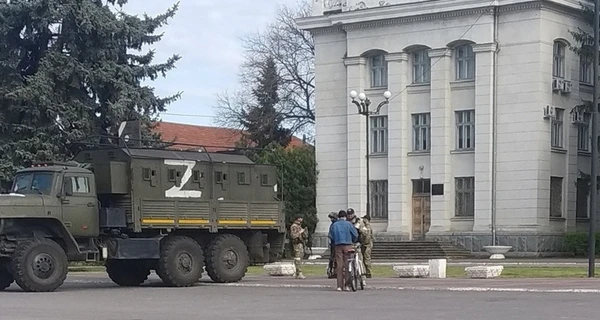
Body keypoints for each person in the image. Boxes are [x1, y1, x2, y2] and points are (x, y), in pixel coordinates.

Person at [328, 210, 358, 291]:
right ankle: (347, 285)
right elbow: (355, 234)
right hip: (348, 245)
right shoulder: (349, 224)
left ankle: (339, 286)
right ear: (345, 216)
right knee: (347, 264)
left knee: (339, 265)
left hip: (338, 246)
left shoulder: (334, 225)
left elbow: (331, 235)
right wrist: (353, 240)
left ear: (338, 217)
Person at [347, 208, 367, 285]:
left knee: (360, 260)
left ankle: (363, 278)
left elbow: (365, 232)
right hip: (349, 243)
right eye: (348, 214)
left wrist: (360, 229)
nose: (350, 216)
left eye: (351, 214)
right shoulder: (346, 223)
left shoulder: (359, 222)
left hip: (357, 243)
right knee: (348, 260)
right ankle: (350, 277)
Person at [327, 211, 339, 279]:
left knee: (335, 258)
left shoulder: (335, 225)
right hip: (333, 243)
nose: (331, 219)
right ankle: (332, 271)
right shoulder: (333, 224)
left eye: (332, 218)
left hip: (336, 243)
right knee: (332, 258)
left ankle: (335, 271)